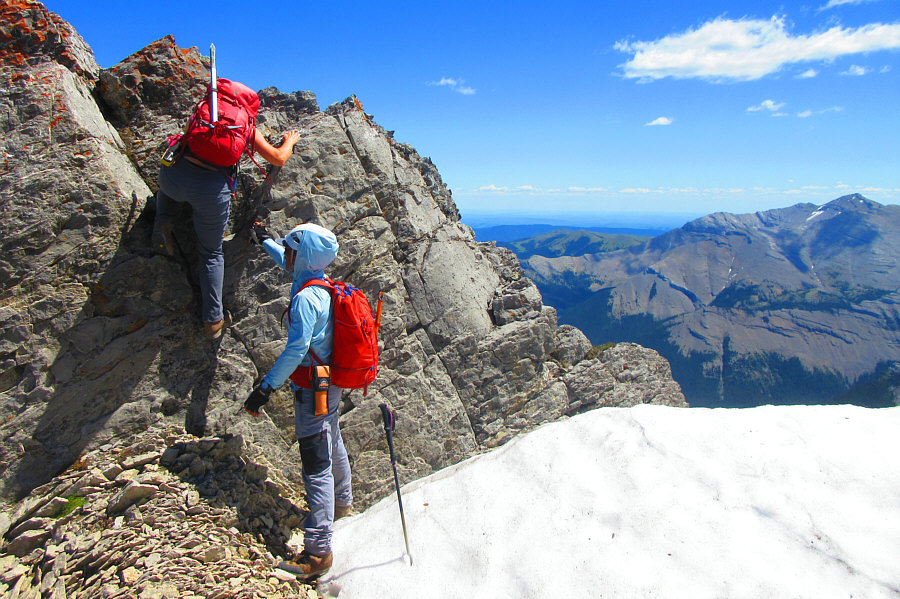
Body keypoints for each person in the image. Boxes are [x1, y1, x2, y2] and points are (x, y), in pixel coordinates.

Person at [243, 222, 353, 580]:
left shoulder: (306, 298)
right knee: (331, 437)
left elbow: (296, 349)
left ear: (303, 254)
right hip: (330, 383)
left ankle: (319, 552)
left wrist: (265, 388)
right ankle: (343, 505)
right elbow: (286, 260)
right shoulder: (318, 279)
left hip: (311, 391)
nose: (286, 255)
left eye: (291, 249)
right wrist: (266, 242)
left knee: (315, 462)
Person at [152, 128, 302, 338]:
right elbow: (278, 158)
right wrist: (289, 141)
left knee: (170, 186)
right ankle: (213, 320)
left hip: (171, 175)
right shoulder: (244, 124)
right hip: (209, 191)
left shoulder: (205, 109)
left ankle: (163, 221)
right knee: (211, 253)